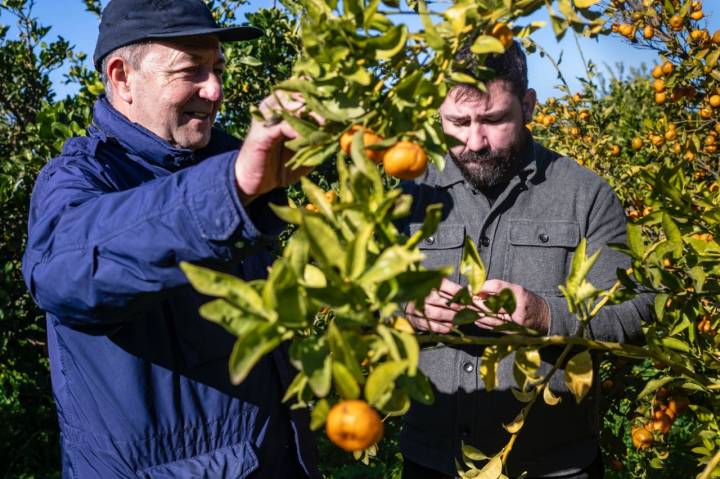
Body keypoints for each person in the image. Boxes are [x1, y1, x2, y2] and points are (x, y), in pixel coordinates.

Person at [22, 0, 319, 477]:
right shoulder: (78, 178)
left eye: (218, 68)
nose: (216, 89)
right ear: (122, 77)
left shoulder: (219, 163)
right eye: (192, 70)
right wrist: (232, 186)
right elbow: (67, 270)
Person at [399, 42, 652, 478]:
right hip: (433, 460)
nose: (475, 142)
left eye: (495, 120)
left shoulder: (585, 196)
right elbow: (359, 300)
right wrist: (406, 309)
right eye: (457, 122)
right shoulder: (412, 195)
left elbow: (638, 313)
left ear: (528, 105)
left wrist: (545, 315)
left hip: (554, 465)